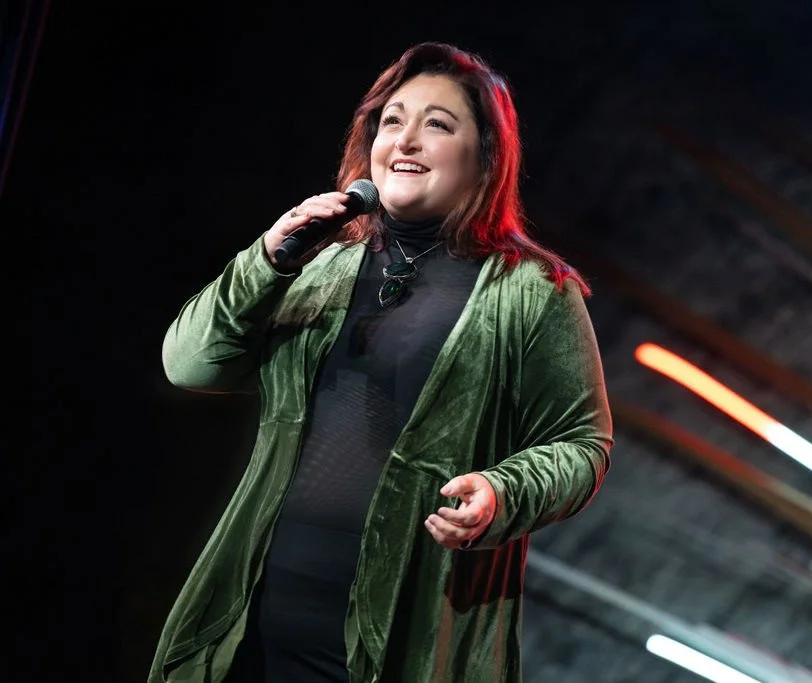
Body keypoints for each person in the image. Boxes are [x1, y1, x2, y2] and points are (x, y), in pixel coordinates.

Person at [148, 42, 613, 683]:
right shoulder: (319, 265)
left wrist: (503, 492)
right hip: (252, 622)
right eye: (392, 121)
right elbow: (191, 365)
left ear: (485, 158)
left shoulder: (530, 289)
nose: (406, 140)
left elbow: (582, 443)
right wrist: (267, 259)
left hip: (403, 637)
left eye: (438, 124)